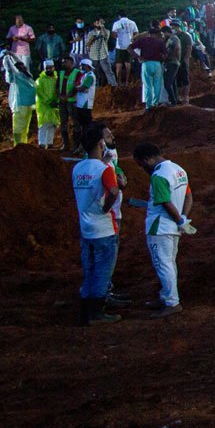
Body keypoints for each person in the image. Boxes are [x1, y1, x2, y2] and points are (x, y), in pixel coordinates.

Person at [133, 142, 194, 319]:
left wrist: (179, 219)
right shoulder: (179, 169)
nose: (142, 168)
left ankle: (172, 302)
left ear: (147, 159)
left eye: (141, 164)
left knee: (163, 264)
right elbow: (189, 196)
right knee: (170, 263)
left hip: (160, 227)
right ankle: (167, 296)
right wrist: (183, 219)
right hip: (174, 227)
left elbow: (166, 203)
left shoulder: (159, 175)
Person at [72, 122, 122, 325]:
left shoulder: (77, 168)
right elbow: (114, 190)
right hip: (103, 226)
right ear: (101, 144)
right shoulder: (103, 169)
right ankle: (97, 312)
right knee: (103, 269)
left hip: (85, 227)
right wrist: (106, 208)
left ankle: (86, 308)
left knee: (90, 267)